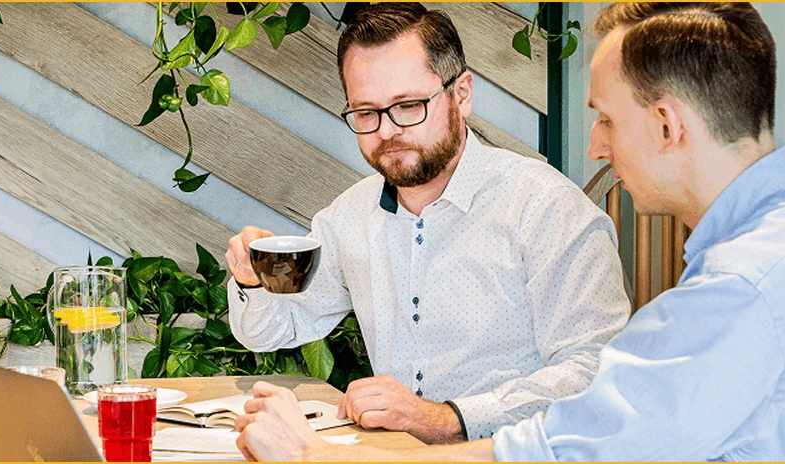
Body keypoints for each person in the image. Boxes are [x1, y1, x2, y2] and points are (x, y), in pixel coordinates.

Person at [231, 2, 785, 461]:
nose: (597, 147)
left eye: (605, 118)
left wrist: (322, 458)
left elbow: (566, 441)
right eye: (365, 112)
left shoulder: (738, 288)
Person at [223, 2, 631, 445]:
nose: (387, 131)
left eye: (408, 105)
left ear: (462, 94)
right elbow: (271, 330)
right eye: (366, 113)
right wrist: (253, 279)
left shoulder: (544, 207)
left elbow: (596, 368)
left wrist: (446, 418)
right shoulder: (349, 217)